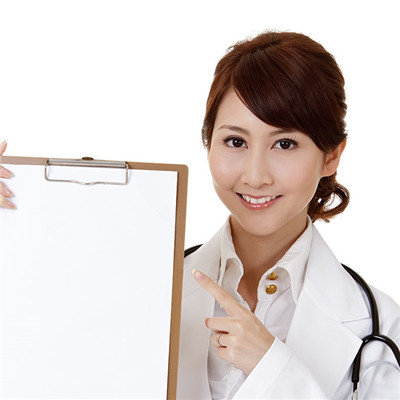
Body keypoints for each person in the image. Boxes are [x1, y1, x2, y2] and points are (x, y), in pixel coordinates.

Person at [1, 30, 399, 399]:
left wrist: (273, 369)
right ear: (208, 143)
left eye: (285, 144)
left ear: (331, 156)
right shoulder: (140, 288)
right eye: (236, 141)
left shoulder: (381, 327)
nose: (255, 175)